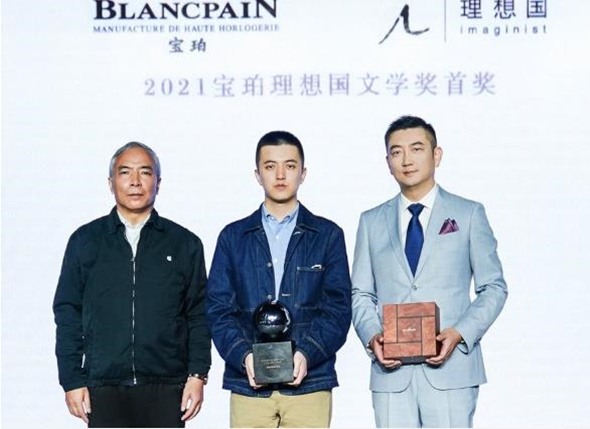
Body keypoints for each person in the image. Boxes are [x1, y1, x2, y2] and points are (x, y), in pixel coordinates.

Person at [351, 116, 508, 428]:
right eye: (396, 152)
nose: (407, 160)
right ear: (387, 162)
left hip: (452, 370)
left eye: (417, 149)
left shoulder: (468, 213)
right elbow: (361, 293)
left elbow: (494, 287)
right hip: (391, 373)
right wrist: (373, 337)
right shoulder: (371, 221)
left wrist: (460, 333)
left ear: (437, 155)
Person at [53, 141, 211, 428]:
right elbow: (67, 312)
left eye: (145, 172)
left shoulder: (184, 243)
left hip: (167, 386)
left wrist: (198, 375)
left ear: (158, 182)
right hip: (103, 386)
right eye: (125, 172)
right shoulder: (85, 241)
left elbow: (198, 314)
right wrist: (71, 379)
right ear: (111, 183)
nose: (135, 182)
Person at [206, 131, 351, 428]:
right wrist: (244, 356)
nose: (281, 175)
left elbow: (338, 309)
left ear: (303, 173)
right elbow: (218, 310)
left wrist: (307, 354)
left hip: (310, 383)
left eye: (290, 166)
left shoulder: (327, 236)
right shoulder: (233, 237)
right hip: (249, 384)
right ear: (257, 175)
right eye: (270, 166)